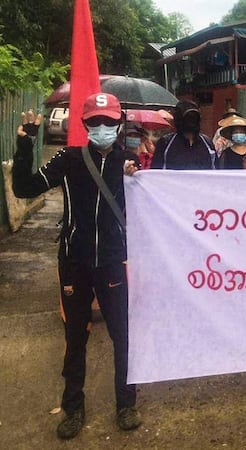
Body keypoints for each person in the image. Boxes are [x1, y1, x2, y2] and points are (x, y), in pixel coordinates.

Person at [11, 93, 142, 439]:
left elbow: (153, 204)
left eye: (109, 122)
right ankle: (73, 408)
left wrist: (137, 173)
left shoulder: (129, 162)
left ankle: (126, 404)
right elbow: (24, 187)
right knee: (75, 338)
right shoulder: (67, 160)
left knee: (122, 336)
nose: (102, 128)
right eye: (95, 122)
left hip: (113, 262)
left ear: (118, 124)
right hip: (74, 263)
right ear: (84, 125)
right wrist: (25, 145)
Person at [151, 100, 216, 170]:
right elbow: (155, 174)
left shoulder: (207, 143)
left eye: (194, 117)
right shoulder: (166, 143)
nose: (191, 120)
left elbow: (216, 172)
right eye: (188, 117)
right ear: (179, 119)